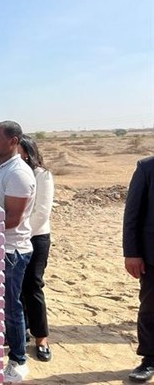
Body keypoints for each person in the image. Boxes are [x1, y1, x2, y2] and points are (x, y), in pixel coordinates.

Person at [0, 121, 36, 383]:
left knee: (10, 307)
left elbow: (12, 219)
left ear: (13, 141)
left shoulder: (18, 173)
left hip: (11, 250)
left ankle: (18, 360)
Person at [18, 135, 54, 362]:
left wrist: (20, 233)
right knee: (15, 287)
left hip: (35, 237)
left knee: (32, 286)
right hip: (12, 238)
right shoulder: (8, 171)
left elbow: (41, 212)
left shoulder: (42, 175)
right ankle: (21, 331)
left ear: (27, 152)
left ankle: (41, 338)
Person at [123, 156, 154, 383]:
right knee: (151, 309)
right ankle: (150, 358)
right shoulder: (147, 167)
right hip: (152, 255)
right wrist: (132, 253)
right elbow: (132, 213)